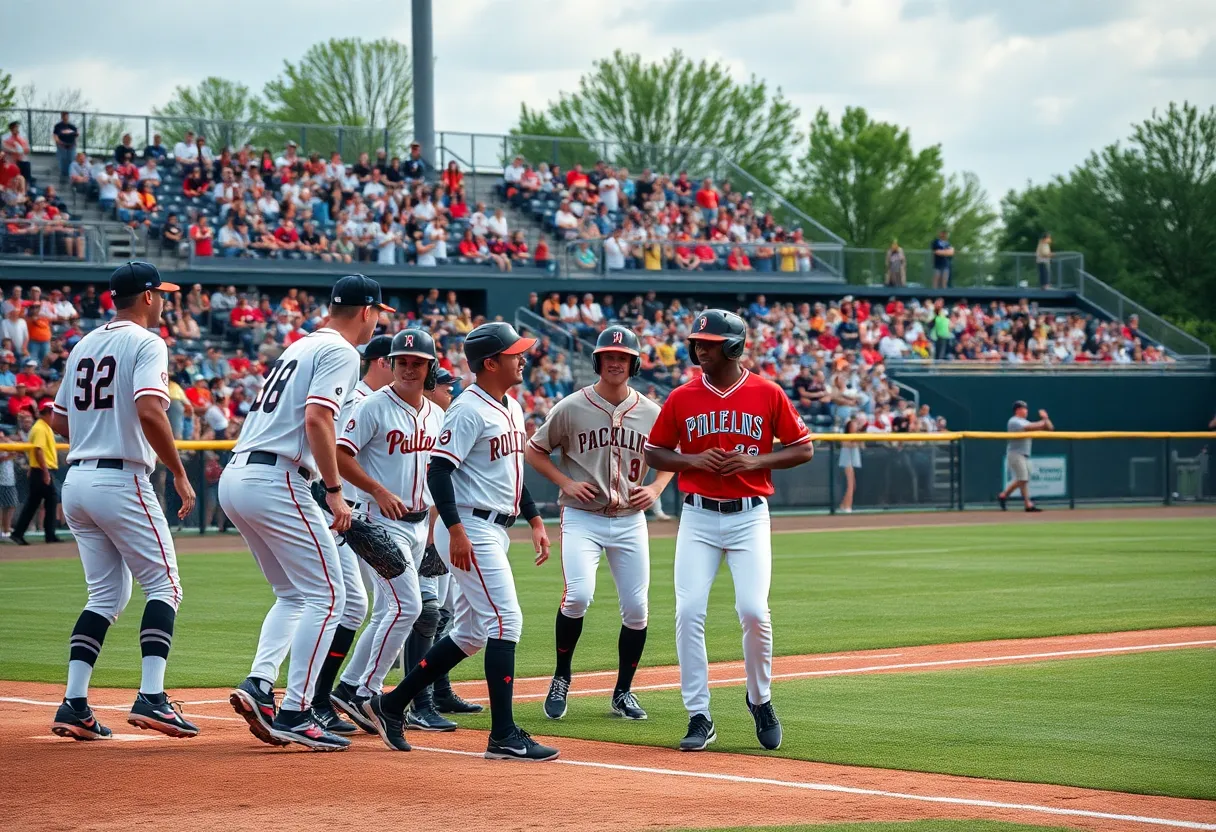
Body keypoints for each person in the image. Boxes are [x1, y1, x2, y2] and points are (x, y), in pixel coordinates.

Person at [363, 322, 559, 762]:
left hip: (494, 524)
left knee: (471, 631)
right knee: (506, 622)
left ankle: (391, 704)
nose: (522, 358)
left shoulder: (508, 404)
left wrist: (533, 518)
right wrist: (454, 530)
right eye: (514, 353)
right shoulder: (468, 409)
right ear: (491, 363)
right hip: (470, 526)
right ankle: (504, 735)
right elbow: (437, 470)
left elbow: (509, 472)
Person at [222, 274, 389, 751]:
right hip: (279, 477)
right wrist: (335, 491)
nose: (377, 320)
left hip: (241, 476)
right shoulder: (340, 352)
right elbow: (319, 418)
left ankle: (258, 684)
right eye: (377, 312)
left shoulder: (300, 345)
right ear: (365, 311)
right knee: (330, 594)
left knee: (294, 594)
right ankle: (295, 710)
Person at [644, 309, 814, 752]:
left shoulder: (766, 392)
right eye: (697, 342)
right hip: (698, 517)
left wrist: (759, 460)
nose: (701, 349)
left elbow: (804, 448)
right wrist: (691, 461)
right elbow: (655, 453)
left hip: (749, 515)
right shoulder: (682, 396)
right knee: (688, 612)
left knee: (754, 610)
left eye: (711, 343)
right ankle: (699, 714)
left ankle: (760, 699)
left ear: (734, 347)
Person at [46, 261, 198, 740]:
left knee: (106, 595)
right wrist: (177, 471)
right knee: (165, 586)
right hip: (121, 478)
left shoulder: (84, 344)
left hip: (78, 482)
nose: (165, 301)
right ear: (149, 297)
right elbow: (150, 409)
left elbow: (59, 422)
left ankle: (74, 704)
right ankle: (153, 697)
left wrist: (102, 425)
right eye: (163, 295)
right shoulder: (148, 341)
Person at [525, 326, 673, 721]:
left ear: (633, 363)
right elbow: (535, 450)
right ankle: (561, 677)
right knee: (577, 596)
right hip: (582, 516)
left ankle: (623, 692)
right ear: (597, 361)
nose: (614, 361)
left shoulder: (652, 412)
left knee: (638, 609)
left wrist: (657, 487)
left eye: (622, 357)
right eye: (608, 355)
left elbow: (671, 456)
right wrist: (565, 481)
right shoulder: (572, 406)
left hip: (629, 520)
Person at [327, 330, 445, 738]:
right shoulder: (372, 407)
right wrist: (377, 489)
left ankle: (347, 689)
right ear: (390, 364)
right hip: (376, 521)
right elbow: (340, 455)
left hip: (416, 524)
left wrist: (433, 530)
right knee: (408, 607)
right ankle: (369, 690)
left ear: (430, 366)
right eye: (402, 361)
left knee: (388, 610)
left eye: (417, 362)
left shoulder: (435, 413)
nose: (409, 368)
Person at [307, 335, 394, 735]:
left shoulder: (371, 400)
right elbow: (335, 451)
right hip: (339, 508)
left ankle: (323, 698)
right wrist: (339, 499)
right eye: (395, 362)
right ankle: (318, 699)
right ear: (380, 362)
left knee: (358, 605)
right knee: (348, 604)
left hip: (350, 511)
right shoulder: (360, 401)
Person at [12, 400, 62, 545]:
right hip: (41, 470)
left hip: (38, 470)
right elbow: (38, 450)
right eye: (54, 413)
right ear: (48, 413)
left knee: (34, 503)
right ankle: (49, 535)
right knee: (51, 500)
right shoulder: (40, 428)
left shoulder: (43, 427)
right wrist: (45, 473)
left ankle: (18, 533)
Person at [997, 400, 1053, 512]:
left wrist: (1045, 419)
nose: (1026, 410)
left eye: (1026, 408)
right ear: (1017, 410)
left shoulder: (1024, 421)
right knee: (1023, 478)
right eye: (1024, 408)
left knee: (1023, 480)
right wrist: (1044, 420)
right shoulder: (1014, 421)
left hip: (1024, 454)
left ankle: (1020, 502)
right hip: (1015, 454)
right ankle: (1009, 496)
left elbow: (1050, 428)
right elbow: (1032, 426)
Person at [837, 413, 865, 513]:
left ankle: (843, 505)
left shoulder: (857, 436)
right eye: (853, 426)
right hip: (847, 461)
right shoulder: (845, 437)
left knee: (853, 485)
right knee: (850, 485)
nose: (855, 427)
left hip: (852, 461)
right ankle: (848, 507)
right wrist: (856, 438)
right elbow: (847, 444)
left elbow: (862, 446)